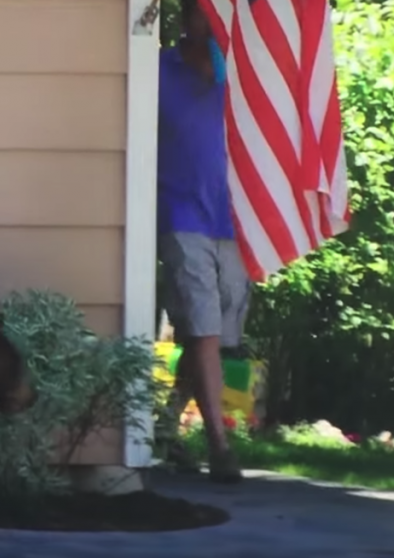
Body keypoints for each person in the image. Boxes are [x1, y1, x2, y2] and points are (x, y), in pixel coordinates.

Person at [156, 0, 250, 484]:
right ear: (186, 21)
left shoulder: (239, 73)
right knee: (204, 325)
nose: (211, 26)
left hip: (230, 220)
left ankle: (167, 430)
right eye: (202, 15)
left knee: (212, 334)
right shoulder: (157, 72)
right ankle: (219, 444)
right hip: (179, 213)